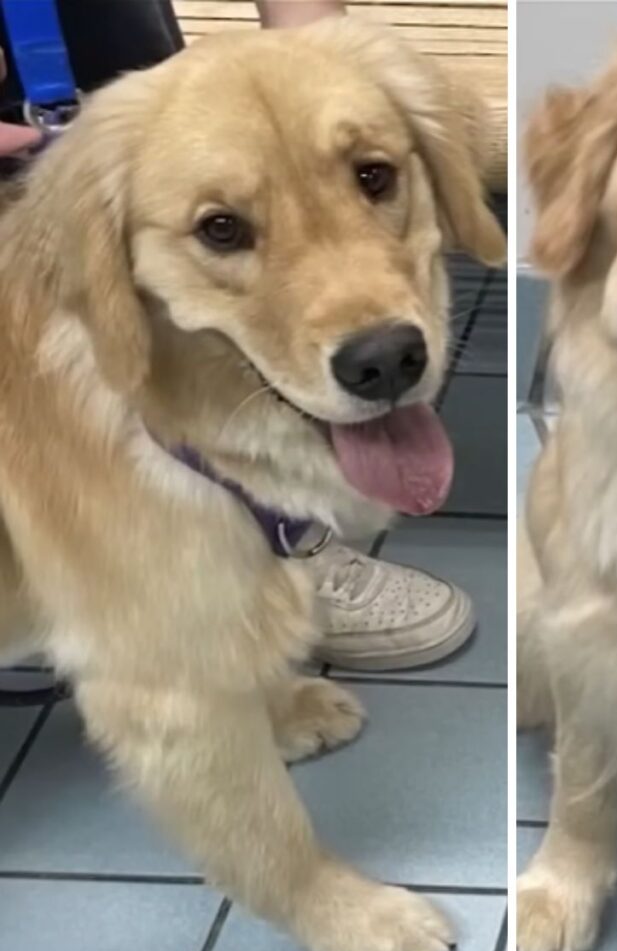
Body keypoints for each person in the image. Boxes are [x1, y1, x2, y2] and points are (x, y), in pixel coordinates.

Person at [0, 0, 475, 672]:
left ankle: (261, 578)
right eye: (224, 230)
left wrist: (318, 50)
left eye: (373, 178)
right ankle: (112, 609)